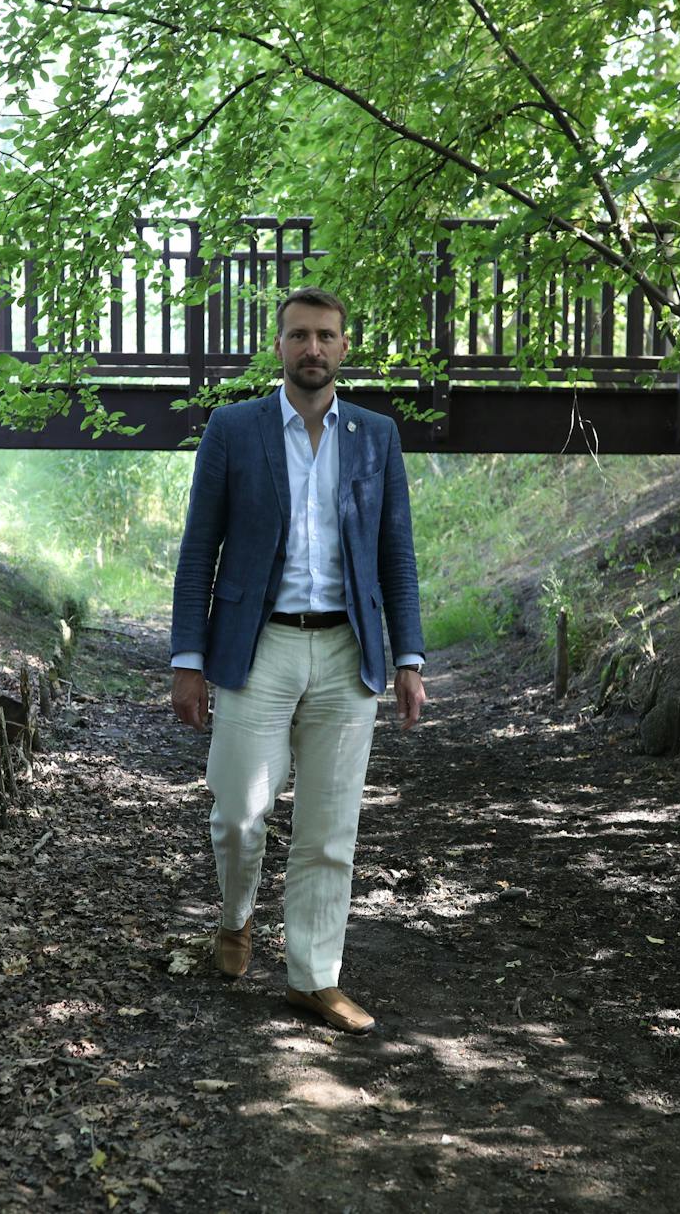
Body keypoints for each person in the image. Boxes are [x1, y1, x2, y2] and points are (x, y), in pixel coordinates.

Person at [170, 286, 427, 1035]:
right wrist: (189, 658)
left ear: (345, 347)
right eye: (298, 336)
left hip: (349, 652)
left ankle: (314, 978)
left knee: (329, 827)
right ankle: (236, 913)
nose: (312, 348)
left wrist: (407, 657)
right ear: (278, 346)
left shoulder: (377, 436)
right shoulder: (234, 429)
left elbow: (396, 553)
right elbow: (198, 550)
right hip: (259, 646)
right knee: (238, 813)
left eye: (326, 336)